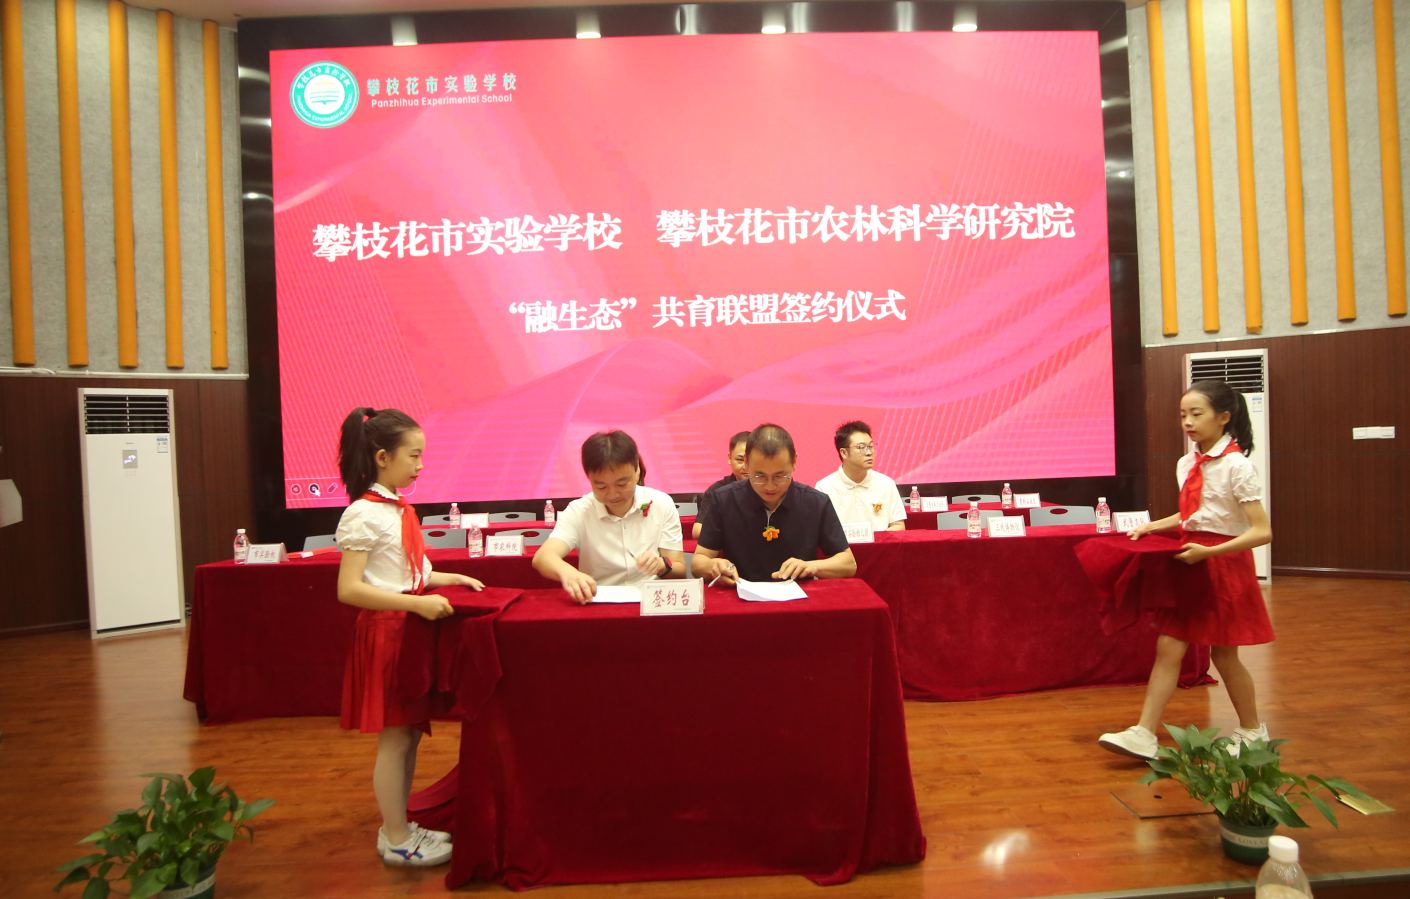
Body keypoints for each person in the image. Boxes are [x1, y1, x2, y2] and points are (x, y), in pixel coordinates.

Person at [334, 407, 485, 867]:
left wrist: (449, 578)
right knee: (395, 741)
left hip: (408, 631)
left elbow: (408, 573)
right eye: (413, 456)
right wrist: (417, 604)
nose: (420, 465)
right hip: (389, 633)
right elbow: (350, 589)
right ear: (383, 457)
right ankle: (397, 836)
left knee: (410, 737)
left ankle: (397, 826)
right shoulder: (364, 513)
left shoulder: (396, 508)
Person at [1098, 380, 1273, 760]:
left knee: (1224, 656)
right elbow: (1194, 515)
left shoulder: (1238, 466)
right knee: (1169, 646)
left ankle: (1252, 731)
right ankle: (1144, 733)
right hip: (1191, 560)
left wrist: (1210, 553)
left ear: (1223, 417)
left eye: (1196, 414)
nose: (1188, 422)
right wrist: (1153, 526)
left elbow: (1262, 532)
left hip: (1223, 565)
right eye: (1182, 415)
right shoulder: (1186, 463)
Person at [534, 430, 686, 603]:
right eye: (601, 487)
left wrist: (661, 565)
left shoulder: (660, 503)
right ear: (589, 478)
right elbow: (543, 557)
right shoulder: (579, 511)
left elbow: (680, 569)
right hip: (599, 602)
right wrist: (568, 573)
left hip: (651, 602)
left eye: (622, 484)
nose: (612, 494)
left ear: (637, 470)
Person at [693, 424, 856, 584]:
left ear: (794, 462)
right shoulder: (724, 499)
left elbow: (848, 564)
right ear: (746, 463)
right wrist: (714, 565)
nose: (770, 487)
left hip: (800, 597)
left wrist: (811, 566)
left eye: (780, 476)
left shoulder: (816, 502)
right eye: (760, 476)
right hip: (740, 594)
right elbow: (698, 562)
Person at [815, 420, 907, 531]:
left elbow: (898, 525)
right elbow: (819, 531)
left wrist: (877, 540)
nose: (869, 452)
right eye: (861, 447)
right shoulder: (824, 488)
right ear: (843, 453)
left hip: (879, 543)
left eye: (871, 446)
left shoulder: (886, 484)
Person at [693, 431, 751, 538]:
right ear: (729, 458)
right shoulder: (718, 491)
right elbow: (697, 530)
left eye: (751, 460)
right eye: (740, 460)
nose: (746, 466)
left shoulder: (769, 489)